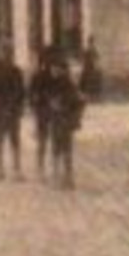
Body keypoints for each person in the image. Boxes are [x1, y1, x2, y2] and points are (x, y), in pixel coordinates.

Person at [0, 42, 27, 181]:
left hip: (7, 112)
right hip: (2, 112)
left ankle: (12, 170)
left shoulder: (14, 71)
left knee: (10, 141)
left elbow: (20, 92)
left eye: (9, 52)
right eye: (5, 52)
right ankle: (3, 169)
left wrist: (15, 109)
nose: (7, 55)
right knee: (2, 141)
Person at [45, 51, 86, 190]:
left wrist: (61, 105)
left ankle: (64, 178)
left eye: (55, 68)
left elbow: (79, 100)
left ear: (61, 69)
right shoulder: (55, 82)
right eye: (52, 68)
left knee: (62, 150)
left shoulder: (66, 83)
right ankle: (63, 177)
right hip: (58, 121)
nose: (52, 70)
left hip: (62, 121)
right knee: (61, 149)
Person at [29, 48, 64, 178]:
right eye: (46, 59)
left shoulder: (56, 76)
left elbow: (60, 91)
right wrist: (40, 103)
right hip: (43, 112)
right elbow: (33, 95)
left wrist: (57, 101)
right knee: (43, 142)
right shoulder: (37, 76)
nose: (48, 63)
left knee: (54, 141)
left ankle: (54, 169)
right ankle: (41, 169)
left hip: (54, 112)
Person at [79, 37, 104, 102]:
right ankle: (87, 95)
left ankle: (94, 96)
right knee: (85, 80)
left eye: (92, 42)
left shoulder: (93, 50)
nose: (91, 44)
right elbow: (84, 59)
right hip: (88, 67)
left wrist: (97, 65)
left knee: (94, 81)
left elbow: (97, 58)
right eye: (90, 42)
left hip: (91, 67)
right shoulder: (87, 51)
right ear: (89, 43)